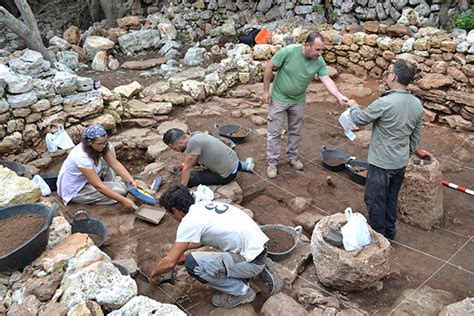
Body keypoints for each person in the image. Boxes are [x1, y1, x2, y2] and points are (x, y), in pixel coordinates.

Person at [151, 185, 283, 309]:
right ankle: (262, 266)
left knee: (192, 264)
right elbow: (205, 239)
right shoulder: (202, 206)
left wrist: (155, 274)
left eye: (171, 214)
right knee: (196, 257)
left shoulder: (189, 221)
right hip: (259, 248)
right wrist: (182, 249)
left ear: (175, 210)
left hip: (251, 261)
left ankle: (241, 292)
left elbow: (169, 263)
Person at [347, 59, 423, 240]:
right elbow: (416, 135)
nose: (388, 75)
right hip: (400, 162)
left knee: (375, 199)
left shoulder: (385, 102)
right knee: (391, 197)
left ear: (394, 76)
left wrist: (353, 106)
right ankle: (390, 232)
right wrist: (407, 154)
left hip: (381, 163)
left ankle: (379, 236)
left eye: (389, 72)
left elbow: (360, 119)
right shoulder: (416, 104)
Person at [263, 31, 349, 179]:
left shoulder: (319, 61)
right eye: (317, 49)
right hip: (279, 98)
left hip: (298, 100)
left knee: (295, 131)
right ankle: (272, 162)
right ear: (307, 45)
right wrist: (265, 91)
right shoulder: (288, 52)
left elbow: (327, 79)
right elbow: (269, 67)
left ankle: (293, 157)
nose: (320, 53)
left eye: (322, 50)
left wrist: (339, 96)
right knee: (274, 132)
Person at [57, 124, 138, 209]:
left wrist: (131, 181)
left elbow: (115, 164)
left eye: (105, 142)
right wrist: (123, 200)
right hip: (75, 190)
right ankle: (111, 190)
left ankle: (111, 185)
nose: (103, 146)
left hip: (86, 179)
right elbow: (98, 186)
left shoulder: (99, 147)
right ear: (89, 142)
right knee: (121, 191)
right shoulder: (82, 158)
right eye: (100, 143)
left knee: (110, 148)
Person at [163, 128, 254, 188]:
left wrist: (181, 189)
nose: (175, 151)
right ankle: (244, 165)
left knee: (190, 179)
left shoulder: (192, 144)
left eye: (174, 148)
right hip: (234, 161)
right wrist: (180, 167)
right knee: (199, 164)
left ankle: (242, 167)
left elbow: (187, 167)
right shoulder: (195, 135)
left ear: (180, 143)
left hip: (228, 175)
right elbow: (194, 160)